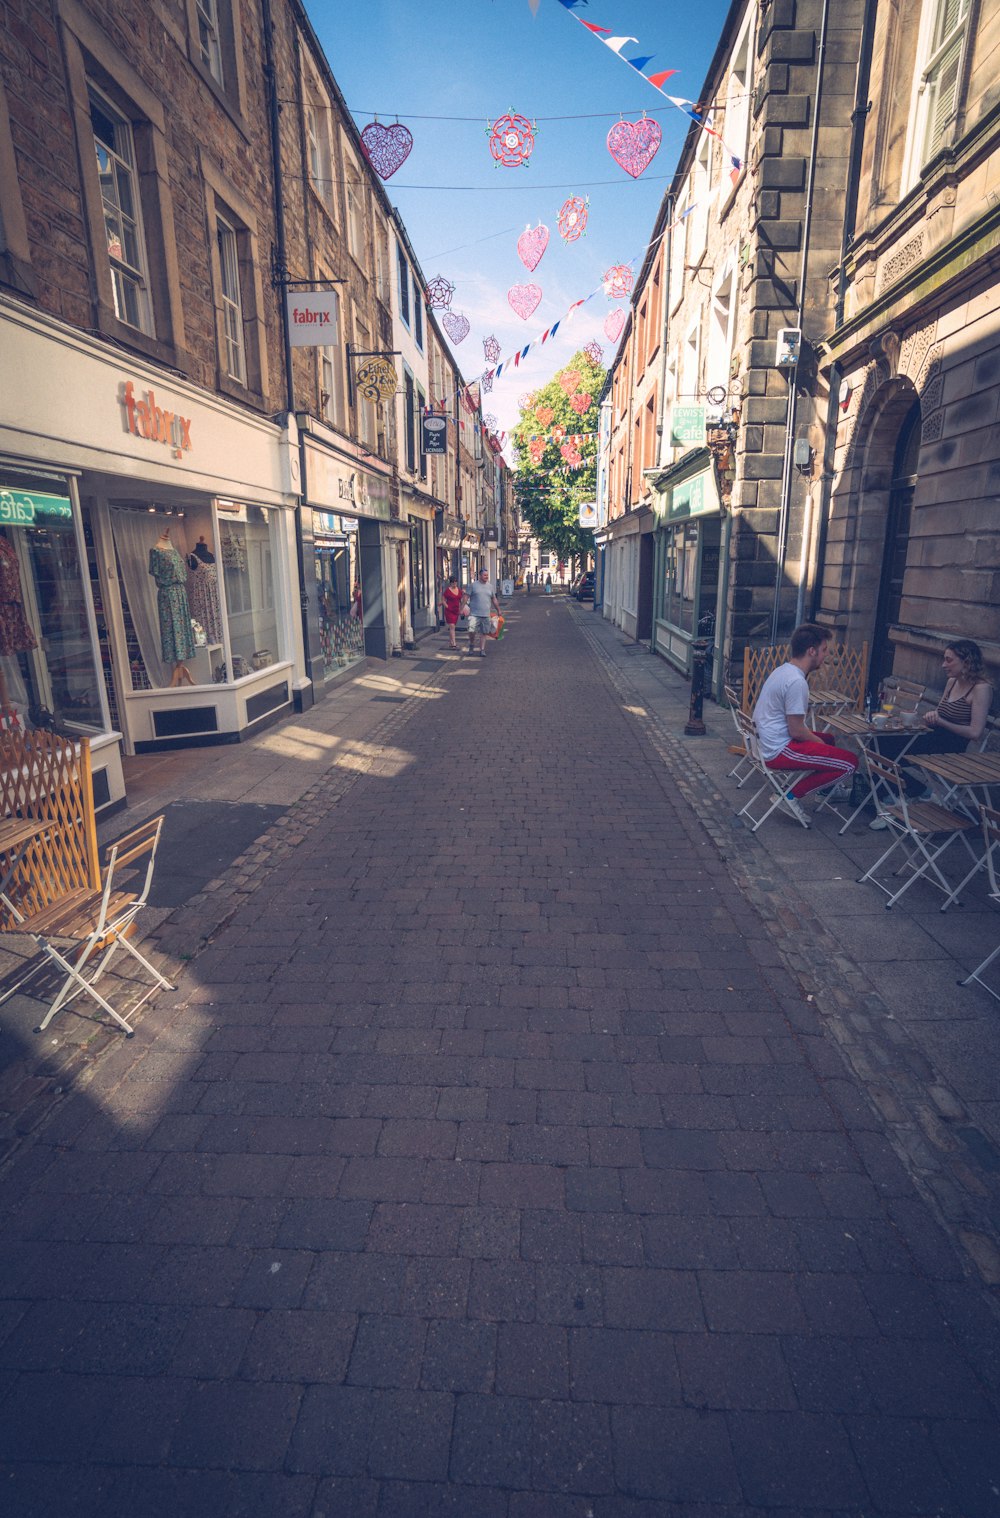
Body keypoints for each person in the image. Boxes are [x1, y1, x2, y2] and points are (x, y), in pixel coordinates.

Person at [869, 639, 993, 827]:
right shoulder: (951, 682)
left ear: (966, 662)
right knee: (878, 742)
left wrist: (941, 721)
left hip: (952, 746)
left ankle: (896, 800)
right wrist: (930, 718)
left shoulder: (981, 689)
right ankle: (903, 795)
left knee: (887, 748)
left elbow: (975, 732)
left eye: (949, 660)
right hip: (933, 735)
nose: (943, 665)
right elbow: (941, 713)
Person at [753, 622, 858, 825]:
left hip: (767, 742)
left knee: (830, 739)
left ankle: (827, 789)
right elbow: (797, 731)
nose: (826, 655)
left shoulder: (784, 670)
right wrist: (818, 742)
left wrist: (822, 742)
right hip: (778, 749)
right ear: (811, 651)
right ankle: (790, 796)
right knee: (850, 763)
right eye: (824, 650)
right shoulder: (796, 682)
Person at [466, 568, 500, 658]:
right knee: (471, 631)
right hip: (474, 614)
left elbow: (494, 599)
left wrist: (498, 610)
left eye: (487, 575)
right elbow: (466, 597)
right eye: (485, 575)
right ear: (480, 576)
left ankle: (482, 650)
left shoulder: (490, 587)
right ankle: (471, 645)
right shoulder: (473, 586)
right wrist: (462, 608)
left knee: (484, 633)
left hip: (486, 614)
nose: (486, 577)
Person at [441, 575, 463, 650]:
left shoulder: (459, 590)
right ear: (450, 583)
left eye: (455, 583)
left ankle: (451, 642)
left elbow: (461, 600)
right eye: (453, 583)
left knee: (453, 627)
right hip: (449, 611)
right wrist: (447, 606)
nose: (454, 584)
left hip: (456, 611)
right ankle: (454, 643)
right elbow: (443, 600)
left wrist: (461, 609)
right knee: (452, 627)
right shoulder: (447, 590)